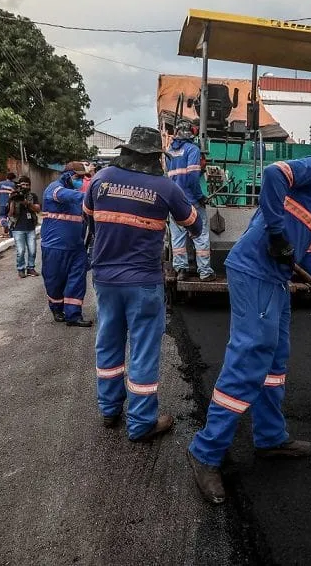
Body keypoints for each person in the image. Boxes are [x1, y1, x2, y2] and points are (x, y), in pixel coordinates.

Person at [187, 128, 311, 505]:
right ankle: (205, 452)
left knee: (274, 362)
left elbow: (309, 255)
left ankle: (270, 437)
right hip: (254, 273)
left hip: (276, 280)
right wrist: (274, 234)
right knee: (250, 357)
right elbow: (274, 174)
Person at [84, 126, 203, 441]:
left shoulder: (99, 180)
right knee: (143, 350)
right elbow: (194, 223)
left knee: (108, 342)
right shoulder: (165, 187)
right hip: (143, 283)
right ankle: (140, 423)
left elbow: (88, 217)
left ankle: (110, 410)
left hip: (106, 279)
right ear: (154, 157)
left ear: (127, 151)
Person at [41, 161, 93, 327]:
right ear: (68, 175)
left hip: (76, 247)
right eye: (78, 177)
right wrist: (90, 196)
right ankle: (57, 307)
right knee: (54, 280)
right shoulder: (54, 189)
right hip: (55, 246)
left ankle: (73, 315)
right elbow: (64, 195)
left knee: (77, 279)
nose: (80, 180)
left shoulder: (75, 193)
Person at [166, 121, 215, 282]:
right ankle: (205, 272)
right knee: (200, 234)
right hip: (191, 201)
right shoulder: (193, 150)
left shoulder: (169, 152)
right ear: (191, 132)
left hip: (174, 202)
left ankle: (181, 270)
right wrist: (199, 197)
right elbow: (193, 178)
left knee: (178, 237)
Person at [7, 175, 40, 279]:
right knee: (20, 251)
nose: (25, 186)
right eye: (23, 185)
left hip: (30, 227)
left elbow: (38, 209)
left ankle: (31, 268)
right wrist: (12, 200)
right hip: (18, 228)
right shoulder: (14, 195)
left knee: (33, 250)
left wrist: (27, 203)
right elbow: (10, 214)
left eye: (27, 184)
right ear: (19, 185)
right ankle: (21, 269)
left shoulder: (33, 196)